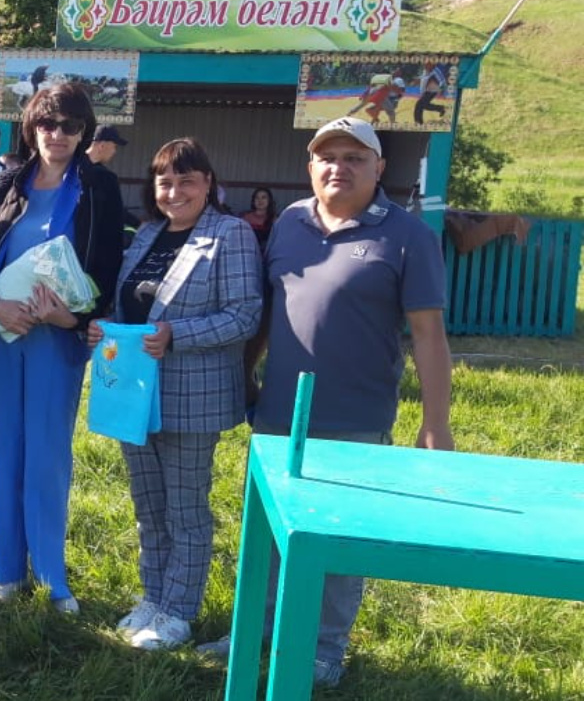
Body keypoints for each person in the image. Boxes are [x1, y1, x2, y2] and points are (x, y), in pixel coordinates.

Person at [198, 116, 453, 688]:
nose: (338, 167)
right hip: (277, 416)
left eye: (354, 157)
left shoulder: (408, 237)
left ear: (379, 168)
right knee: (266, 533)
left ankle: (324, 649)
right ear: (310, 167)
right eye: (327, 157)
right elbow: (268, 309)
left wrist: (435, 423)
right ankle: (257, 630)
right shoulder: (289, 223)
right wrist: (244, 375)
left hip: (355, 421)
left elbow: (430, 336)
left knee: (337, 538)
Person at [85, 138, 262, 651]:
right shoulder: (145, 235)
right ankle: (153, 596)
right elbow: (128, 307)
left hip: (192, 394)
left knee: (186, 509)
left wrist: (176, 335)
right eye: (165, 181)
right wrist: (105, 328)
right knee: (148, 505)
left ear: (208, 184)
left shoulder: (229, 235)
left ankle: (179, 611)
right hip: (131, 392)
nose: (175, 191)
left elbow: (244, 315)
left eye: (187, 180)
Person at [0, 82, 125, 612]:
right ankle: (7, 568)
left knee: (46, 454)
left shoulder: (100, 187)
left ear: (84, 133)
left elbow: (108, 266)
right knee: (3, 448)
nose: (57, 135)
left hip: (56, 340)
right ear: (32, 126)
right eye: (47, 124)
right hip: (2, 336)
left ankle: (52, 575)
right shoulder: (6, 183)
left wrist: (73, 316)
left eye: (70, 126)